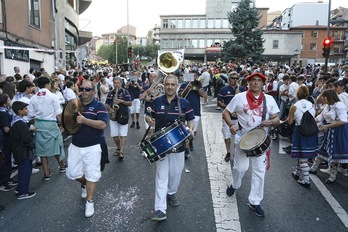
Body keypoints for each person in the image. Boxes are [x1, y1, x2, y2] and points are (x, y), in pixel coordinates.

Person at [222, 72, 280, 217]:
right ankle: (235, 185)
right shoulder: (239, 98)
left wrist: (272, 122)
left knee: (259, 172)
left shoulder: (269, 99)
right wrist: (231, 125)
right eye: (253, 80)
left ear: (262, 83)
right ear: (248, 83)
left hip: (260, 141)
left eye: (258, 81)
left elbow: (277, 119)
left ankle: (255, 201)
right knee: (240, 168)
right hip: (243, 139)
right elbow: (226, 112)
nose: (255, 83)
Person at [145, 74, 194, 221]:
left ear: (177, 86)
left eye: (173, 85)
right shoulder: (157, 101)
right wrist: (149, 119)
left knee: (175, 174)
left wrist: (191, 130)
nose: (170, 87)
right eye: (168, 84)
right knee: (161, 176)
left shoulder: (184, 103)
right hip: (161, 146)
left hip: (178, 145)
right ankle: (160, 209)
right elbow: (148, 116)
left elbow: (190, 120)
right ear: (164, 85)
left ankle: (171, 192)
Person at [66, 80, 108, 218]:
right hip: (76, 145)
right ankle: (85, 184)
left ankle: (89, 201)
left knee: (92, 175)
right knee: (72, 173)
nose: (84, 91)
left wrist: (85, 121)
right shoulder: (75, 105)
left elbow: (102, 124)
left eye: (87, 89)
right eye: (82, 88)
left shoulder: (99, 106)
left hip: (93, 146)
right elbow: (68, 121)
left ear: (93, 92)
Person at [28, 76, 66, 181]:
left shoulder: (33, 97)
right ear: (47, 85)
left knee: (42, 150)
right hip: (51, 124)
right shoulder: (53, 96)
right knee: (56, 146)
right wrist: (63, 124)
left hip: (39, 125)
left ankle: (46, 173)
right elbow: (59, 113)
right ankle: (62, 166)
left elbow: (30, 114)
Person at [310, 89, 348, 183]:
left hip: (338, 132)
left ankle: (332, 176)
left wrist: (328, 126)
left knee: (335, 153)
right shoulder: (328, 106)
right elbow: (320, 117)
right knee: (321, 149)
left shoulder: (339, 105)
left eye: (323, 97)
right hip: (329, 131)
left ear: (328, 97)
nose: (322, 99)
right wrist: (309, 122)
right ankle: (314, 168)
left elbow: (343, 121)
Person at [287, 85, 318, 188]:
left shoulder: (294, 106)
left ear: (297, 94)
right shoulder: (312, 105)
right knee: (302, 155)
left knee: (301, 157)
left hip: (300, 131)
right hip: (311, 132)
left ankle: (306, 180)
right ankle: (297, 173)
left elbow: (290, 121)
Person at [10, 101, 36, 199]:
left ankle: (20, 188)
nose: (27, 110)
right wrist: (31, 130)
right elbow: (25, 138)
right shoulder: (20, 123)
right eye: (25, 109)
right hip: (22, 150)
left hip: (18, 149)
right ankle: (23, 192)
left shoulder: (17, 120)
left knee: (24, 169)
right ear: (20, 111)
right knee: (25, 170)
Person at [178, 70, 207, 158]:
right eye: (192, 76)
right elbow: (180, 96)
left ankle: (191, 142)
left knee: (193, 131)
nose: (193, 78)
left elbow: (204, 96)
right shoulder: (184, 85)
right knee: (186, 129)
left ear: (196, 77)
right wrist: (187, 88)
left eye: (195, 76)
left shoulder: (199, 85)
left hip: (195, 110)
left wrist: (198, 88)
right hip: (184, 110)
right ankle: (186, 149)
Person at [105, 77, 132, 160]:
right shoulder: (111, 93)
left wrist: (121, 101)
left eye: (118, 83)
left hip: (123, 115)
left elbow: (130, 103)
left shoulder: (125, 92)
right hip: (113, 116)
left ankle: (121, 152)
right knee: (114, 135)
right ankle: (119, 147)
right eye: (115, 83)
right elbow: (106, 103)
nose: (116, 84)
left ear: (121, 83)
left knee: (123, 134)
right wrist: (110, 109)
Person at [217, 72, 240, 162]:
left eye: (236, 78)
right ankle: (228, 152)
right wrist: (228, 109)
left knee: (238, 138)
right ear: (229, 78)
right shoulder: (223, 89)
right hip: (227, 117)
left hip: (238, 118)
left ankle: (235, 153)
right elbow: (219, 102)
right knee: (227, 135)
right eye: (232, 78)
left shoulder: (241, 89)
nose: (234, 80)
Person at [0, 93, 17, 191]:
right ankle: (4, 182)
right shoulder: (4, 114)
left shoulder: (3, 112)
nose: (10, 101)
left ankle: (7, 179)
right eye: (9, 100)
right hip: (6, 140)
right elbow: (7, 129)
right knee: (6, 161)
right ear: (5, 104)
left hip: (3, 140)